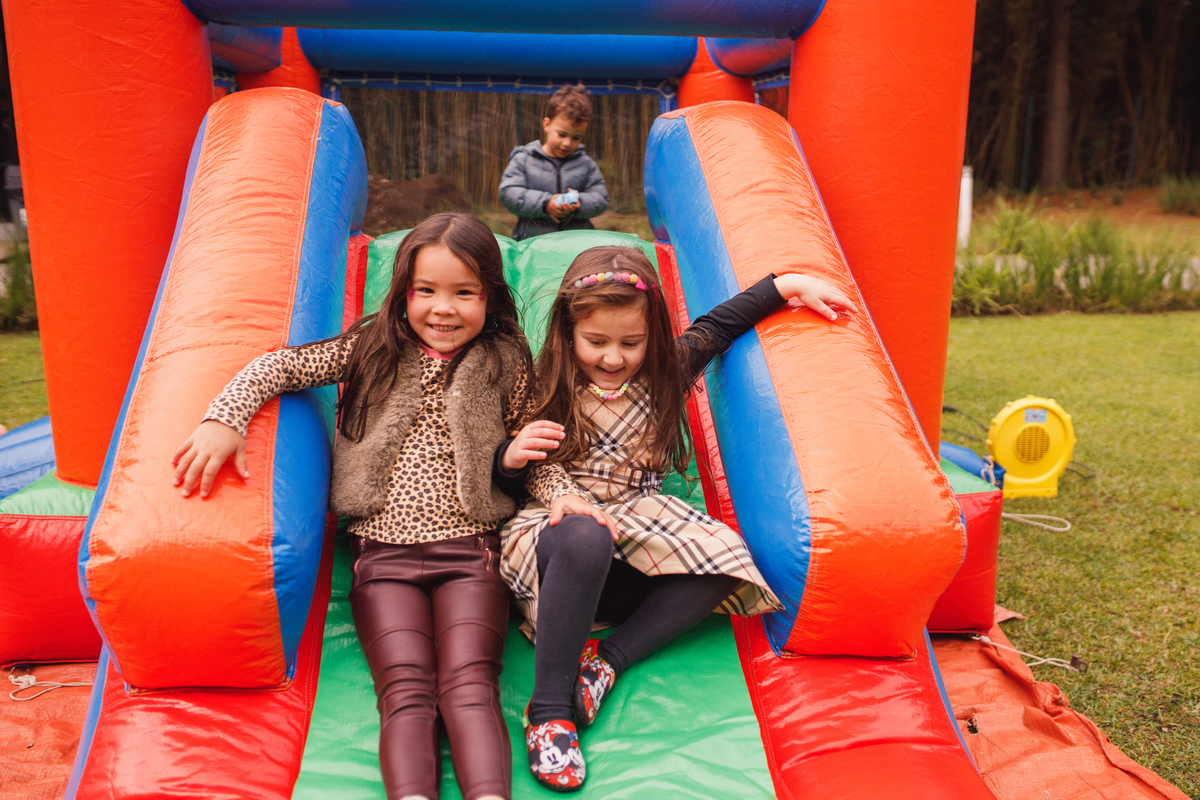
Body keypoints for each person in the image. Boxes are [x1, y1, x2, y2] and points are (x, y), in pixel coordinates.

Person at [170, 213, 560, 800]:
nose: (443, 309)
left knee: (469, 685)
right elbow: (281, 365)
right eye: (425, 290)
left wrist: (564, 496)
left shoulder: (505, 361)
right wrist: (225, 417)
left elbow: (535, 447)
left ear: (490, 297)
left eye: (464, 293)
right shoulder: (373, 346)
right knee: (405, 690)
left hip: (472, 553)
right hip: (382, 560)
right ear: (403, 291)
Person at [495, 246, 857, 791]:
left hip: (636, 533)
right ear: (569, 333)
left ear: (653, 337)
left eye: (630, 343)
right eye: (596, 342)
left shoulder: (664, 374)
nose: (613, 358)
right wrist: (511, 457)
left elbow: (717, 328)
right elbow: (510, 478)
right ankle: (549, 712)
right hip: (560, 537)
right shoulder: (542, 383)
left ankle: (607, 661)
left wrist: (784, 286)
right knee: (585, 535)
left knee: (729, 561)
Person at [498, 84, 609, 241]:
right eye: (562, 134)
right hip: (532, 244)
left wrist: (579, 203)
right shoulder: (524, 159)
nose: (567, 143)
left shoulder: (586, 164)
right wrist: (545, 203)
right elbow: (508, 192)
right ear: (547, 125)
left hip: (577, 245)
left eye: (576, 137)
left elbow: (601, 198)